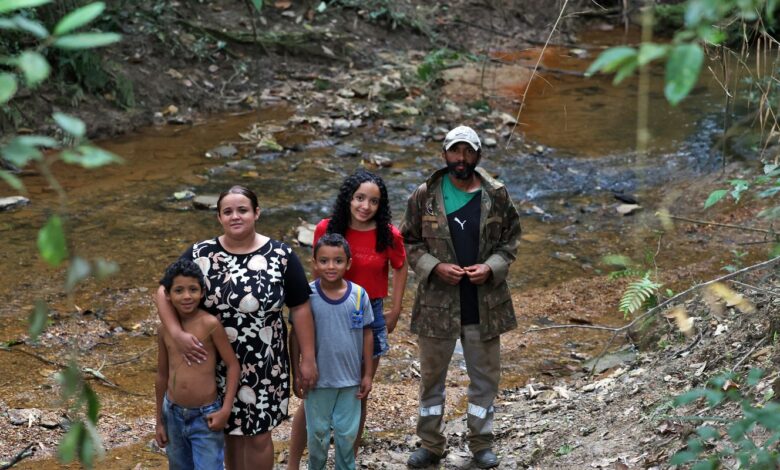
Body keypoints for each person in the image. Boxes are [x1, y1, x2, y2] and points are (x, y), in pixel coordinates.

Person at [155, 185, 318, 470]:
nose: (235, 216)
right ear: (219, 217)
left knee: (257, 436)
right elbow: (163, 291)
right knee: (227, 433)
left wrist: (308, 359)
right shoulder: (200, 253)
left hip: (265, 364)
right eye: (227, 211)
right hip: (213, 363)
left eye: (242, 210)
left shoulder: (280, 255)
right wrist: (177, 334)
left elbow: (301, 307)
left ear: (256, 213)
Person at [400, 125, 521, 469]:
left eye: (468, 152)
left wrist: (491, 266)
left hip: (484, 303)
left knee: (484, 378)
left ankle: (481, 444)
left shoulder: (496, 194)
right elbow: (409, 241)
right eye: (455, 151)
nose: (461, 159)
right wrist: (435, 267)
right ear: (445, 155)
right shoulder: (425, 194)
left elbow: (510, 241)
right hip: (437, 303)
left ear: (478, 155)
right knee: (432, 378)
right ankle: (431, 444)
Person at [288, 169, 408, 468]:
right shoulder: (328, 228)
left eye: (374, 201)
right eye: (359, 198)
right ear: (348, 199)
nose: (365, 206)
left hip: (369, 313)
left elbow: (401, 266)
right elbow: (316, 270)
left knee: (358, 390)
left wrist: (396, 308)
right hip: (325, 312)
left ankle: (348, 459)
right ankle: (293, 462)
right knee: (313, 390)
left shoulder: (388, 234)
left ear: (381, 205)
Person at [290, 233, 374, 470]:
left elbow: (368, 334)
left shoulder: (359, 295)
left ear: (348, 263)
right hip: (317, 381)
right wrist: (296, 372)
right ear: (314, 262)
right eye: (324, 260)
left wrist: (367, 374)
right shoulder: (305, 295)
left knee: (347, 435)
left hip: (350, 380)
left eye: (338, 261)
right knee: (316, 433)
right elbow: (295, 334)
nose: (330, 266)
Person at [155, 259, 240, 469]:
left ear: (202, 292)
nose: (186, 296)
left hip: (206, 416)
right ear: (167, 295)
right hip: (173, 413)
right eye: (179, 290)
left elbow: (233, 365)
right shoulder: (165, 330)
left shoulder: (209, 324)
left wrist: (225, 410)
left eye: (193, 289)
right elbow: (162, 376)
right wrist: (159, 421)